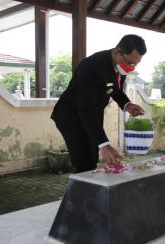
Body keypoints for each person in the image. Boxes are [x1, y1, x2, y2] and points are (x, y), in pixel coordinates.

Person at [51, 34, 146, 173]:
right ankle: (78, 193)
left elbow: (115, 90)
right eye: (130, 62)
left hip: (92, 112)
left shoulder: (121, 65)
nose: (132, 67)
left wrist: (127, 105)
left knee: (92, 159)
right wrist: (104, 144)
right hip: (71, 115)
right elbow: (85, 108)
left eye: (135, 64)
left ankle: (88, 192)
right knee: (84, 162)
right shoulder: (91, 67)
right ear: (117, 52)